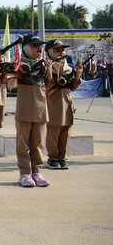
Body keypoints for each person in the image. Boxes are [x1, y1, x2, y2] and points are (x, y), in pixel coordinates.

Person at [6, 34, 52, 188]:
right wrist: (17, 69)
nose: (39, 48)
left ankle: (37, 172)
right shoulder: (20, 64)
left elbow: (50, 86)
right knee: (23, 143)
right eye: (34, 45)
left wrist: (49, 70)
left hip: (41, 110)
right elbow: (10, 85)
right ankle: (24, 173)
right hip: (24, 110)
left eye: (40, 45)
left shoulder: (44, 65)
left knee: (38, 143)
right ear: (26, 48)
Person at [45, 40, 82, 169]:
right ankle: (53, 157)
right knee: (53, 132)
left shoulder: (68, 68)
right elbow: (45, 87)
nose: (61, 53)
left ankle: (62, 157)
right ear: (49, 52)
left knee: (65, 132)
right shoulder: (45, 66)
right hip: (52, 103)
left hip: (67, 102)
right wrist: (49, 72)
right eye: (57, 50)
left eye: (62, 50)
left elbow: (73, 87)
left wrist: (77, 76)